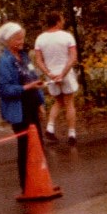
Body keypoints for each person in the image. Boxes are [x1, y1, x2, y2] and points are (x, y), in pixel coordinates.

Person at [0, 21, 46, 194]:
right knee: (25, 146)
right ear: (8, 41)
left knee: (38, 143)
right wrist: (25, 88)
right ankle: (26, 186)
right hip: (18, 107)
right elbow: (5, 89)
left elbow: (32, 76)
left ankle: (39, 179)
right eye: (17, 39)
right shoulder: (4, 61)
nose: (21, 42)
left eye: (22, 38)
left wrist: (40, 102)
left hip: (31, 103)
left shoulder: (24, 56)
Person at [35, 10, 79, 146]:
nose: (64, 21)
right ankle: (71, 133)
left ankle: (50, 127)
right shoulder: (67, 36)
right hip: (65, 73)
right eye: (62, 19)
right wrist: (64, 73)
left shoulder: (40, 39)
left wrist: (48, 73)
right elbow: (73, 57)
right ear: (58, 21)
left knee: (58, 101)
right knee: (69, 102)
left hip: (52, 74)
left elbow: (38, 60)